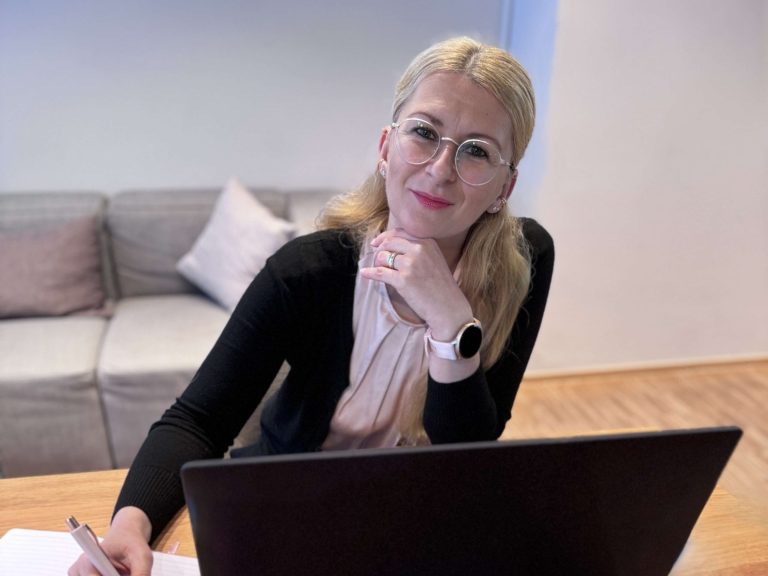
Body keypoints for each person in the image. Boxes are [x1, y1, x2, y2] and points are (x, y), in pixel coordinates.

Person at [69, 35, 554, 575]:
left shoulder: (525, 263)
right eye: (424, 133)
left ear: (505, 186)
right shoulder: (307, 271)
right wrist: (129, 525)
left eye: (477, 151)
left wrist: (449, 321)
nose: (441, 168)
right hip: (290, 512)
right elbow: (198, 420)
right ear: (385, 146)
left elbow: (470, 457)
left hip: (416, 522)